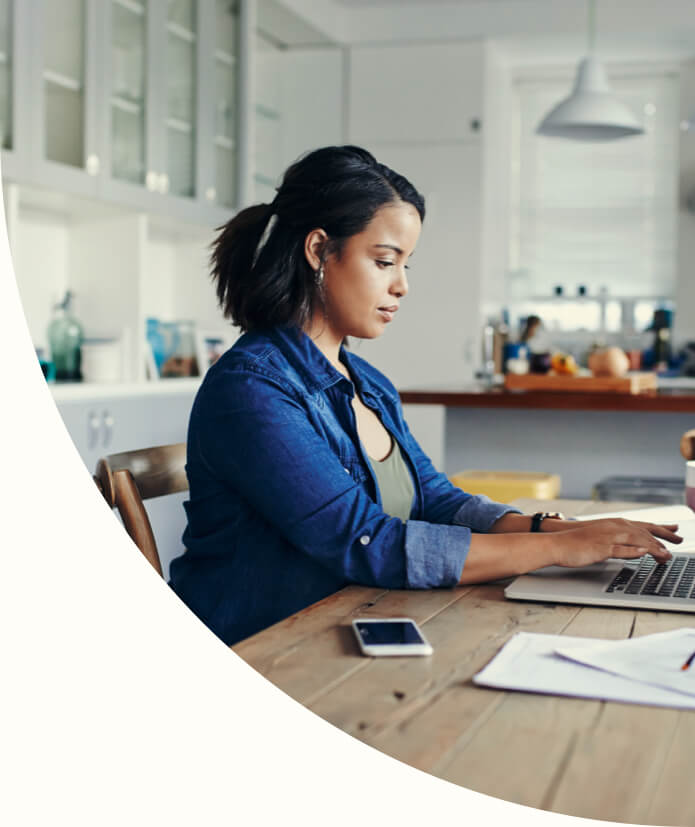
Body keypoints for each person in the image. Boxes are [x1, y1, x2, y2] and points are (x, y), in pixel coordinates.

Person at [168, 146, 681, 646]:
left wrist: (558, 529)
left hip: (347, 622)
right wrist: (557, 550)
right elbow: (366, 543)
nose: (402, 286)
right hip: (260, 647)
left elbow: (435, 500)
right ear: (320, 250)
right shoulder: (253, 389)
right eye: (385, 261)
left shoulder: (367, 382)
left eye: (406, 265)